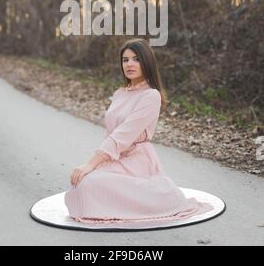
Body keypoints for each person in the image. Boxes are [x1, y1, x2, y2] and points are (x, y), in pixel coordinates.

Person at [64, 37, 213, 224]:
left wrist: (90, 164)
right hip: (115, 157)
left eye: (136, 59)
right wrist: (99, 164)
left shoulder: (151, 96)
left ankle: (154, 196)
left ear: (146, 62)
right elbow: (110, 133)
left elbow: (123, 135)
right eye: (125, 60)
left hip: (138, 161)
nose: (130, 64)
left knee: (88, 182)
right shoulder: (119, 93)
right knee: (79, 183)